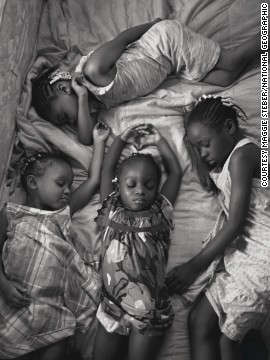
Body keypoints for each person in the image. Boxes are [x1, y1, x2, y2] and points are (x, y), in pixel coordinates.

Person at [32, 18, 260, 145]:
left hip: (166, 43)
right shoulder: (90, 103)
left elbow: (124, 38)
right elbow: (85, 138)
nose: (70, 122)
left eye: (64, 116)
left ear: (64, 87)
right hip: (168, 66)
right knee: (226, 78)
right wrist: (81, 99)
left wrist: (154, 24)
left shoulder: (94, 70)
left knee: (231, 61)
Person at [167, 95, 270, 360]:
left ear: (229, 127)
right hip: (245, 255)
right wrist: (188, 126)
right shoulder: (229, 161)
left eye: (205, 145)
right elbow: (206, 177)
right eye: (197, 147)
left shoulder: (243, 156)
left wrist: (194, 265)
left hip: (262, 256)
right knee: (199, 321)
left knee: (226, 342)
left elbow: (235, 224)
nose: (202, 153)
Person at [0, 121, 110, 360]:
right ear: (32, 183)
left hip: (52, 309)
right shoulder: (11, 214)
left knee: (57, 348)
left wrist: (99, 141)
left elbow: (92, 181)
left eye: (70, 185)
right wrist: (3, 284)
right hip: (15, 302)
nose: (68, 190)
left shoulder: (62, 214)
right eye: (61, 183)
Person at [93, 123, 182, 360]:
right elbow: (106, 170)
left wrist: (159, 140)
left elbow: (175, 173)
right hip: (112, 307)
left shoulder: (161, 211)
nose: (140, 190)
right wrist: (121, 138)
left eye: (149, 185)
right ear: (118, 186)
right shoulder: (110, 208)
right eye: (131, 185)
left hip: (151, 314)